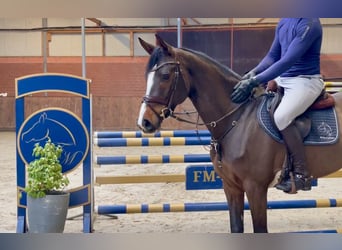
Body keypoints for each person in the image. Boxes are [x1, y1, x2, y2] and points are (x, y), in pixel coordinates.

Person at [230, 18, 324, 193]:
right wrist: (253, 72)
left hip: (305, 81)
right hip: (284, 78)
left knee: (281, 117)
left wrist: (256, 80)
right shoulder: (284, 21)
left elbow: (287, 60)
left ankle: (301, 174)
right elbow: (273, 56)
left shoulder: (310, 23)